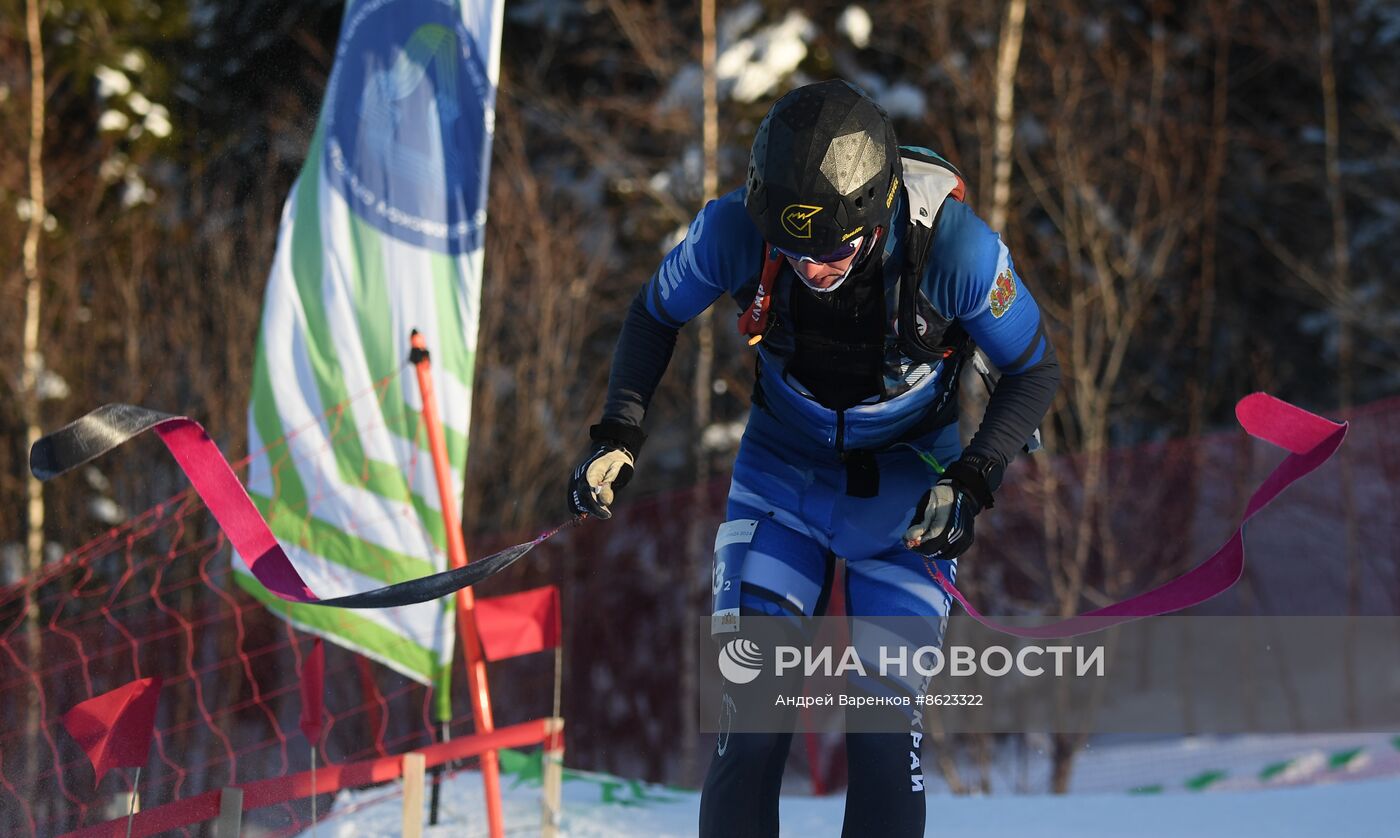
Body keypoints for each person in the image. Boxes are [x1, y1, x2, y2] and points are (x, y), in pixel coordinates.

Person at [567, 80, 1059, 837]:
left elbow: (1033, 370)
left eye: (831, 250)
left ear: (877, 212)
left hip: (906, 499)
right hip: (779, 485)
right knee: (751, 727)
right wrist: (619, 432)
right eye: (792, 250)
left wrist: (972, 479)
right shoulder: (732, 229)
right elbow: (651, 313)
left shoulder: (958, 249)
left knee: (883, 740)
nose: (811, 268)